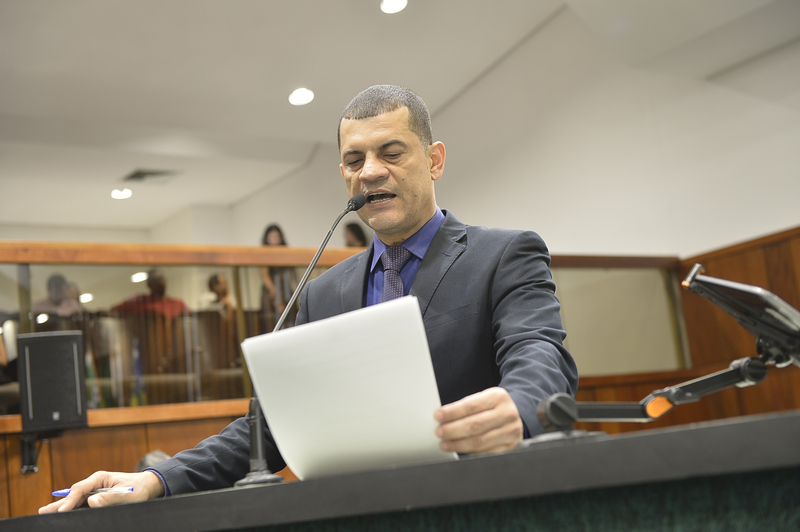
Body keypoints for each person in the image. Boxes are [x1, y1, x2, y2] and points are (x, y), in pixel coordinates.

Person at [40, 85, 578, 513]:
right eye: (354, 159)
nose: (370, 171)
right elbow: (270, 428)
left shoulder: (503, 255)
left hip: (480, 508)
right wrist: (157, 479)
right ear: (345, 175)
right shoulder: (323, 293)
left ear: (434, 160)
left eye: (391, 152)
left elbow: (540, 355)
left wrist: (518, 407)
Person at [259, 224, 298, 331]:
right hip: (272, 293)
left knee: (291, 322)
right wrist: (276, 296)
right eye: (272, 237)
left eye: (277, 237)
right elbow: (265, 276)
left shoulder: (286, 252)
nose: (275, 240)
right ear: (267, 239)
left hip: (286, 290)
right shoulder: (264, 253)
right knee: (272, 324)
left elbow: (293, 273)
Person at [111, 269, 190, 320]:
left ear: (165, 281)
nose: (159, 283)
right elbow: (114, 311)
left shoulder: (177, 304)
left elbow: (190, 318)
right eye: (155, 280)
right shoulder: (138, 301)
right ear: (149, 285)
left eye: (161, 279)